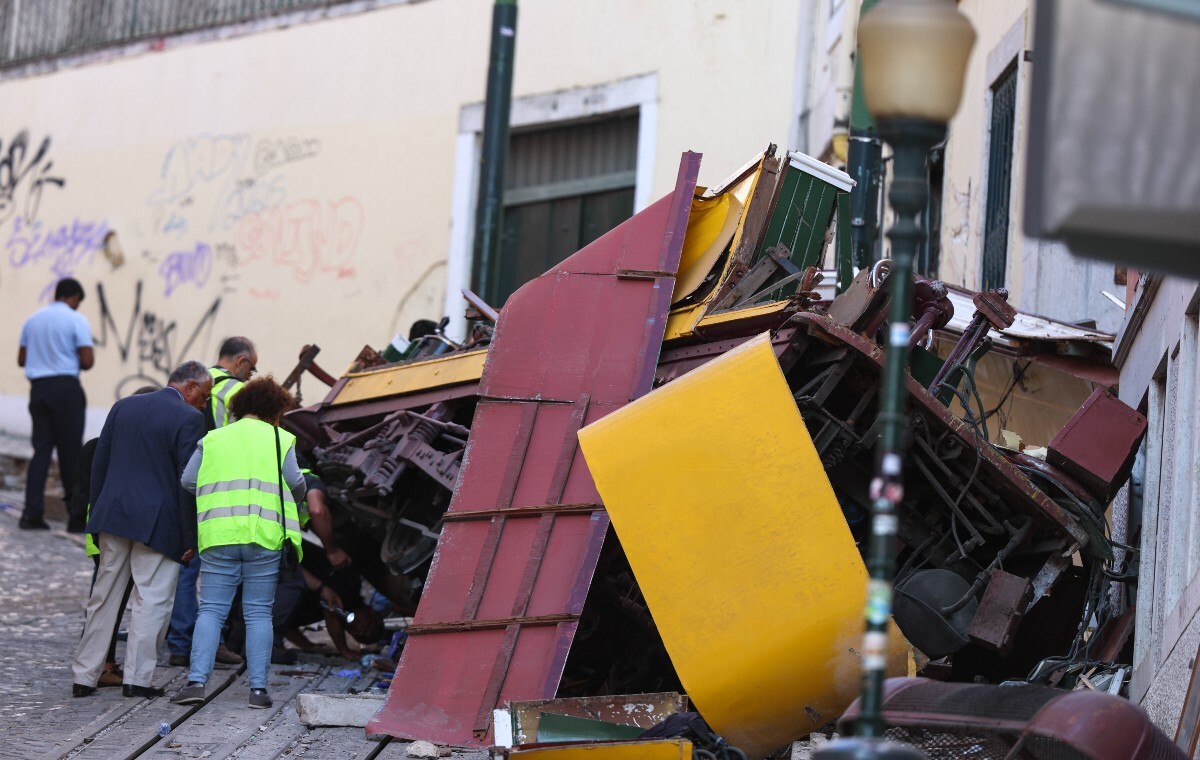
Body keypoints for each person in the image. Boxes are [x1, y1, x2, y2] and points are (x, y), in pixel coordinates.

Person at [70, 361, 211, 699]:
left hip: (113, 515)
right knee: (152, 600)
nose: (204, 405)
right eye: (204, 397)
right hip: (157, 522)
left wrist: (97, 517)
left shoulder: (123, 406)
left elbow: (99, 465)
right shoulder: (189, 419)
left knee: (104, 597)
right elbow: (186, 482)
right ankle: (137, 680)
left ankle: (84, 675)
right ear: (190, 388)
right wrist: (189, 537)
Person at [171, 376, 305, 709]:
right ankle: (258, 691)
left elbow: (188, 480)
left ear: (239, 407)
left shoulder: (213, 438)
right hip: (264, 536)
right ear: (275, 410)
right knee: (259, 612)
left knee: (212, 610)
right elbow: (296, 483)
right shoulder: (280, 438)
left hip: (219, 535)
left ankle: (195, 683)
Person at [166, 336, 257, 668]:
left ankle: (179, 641)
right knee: (213, 573)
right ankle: (206, 643)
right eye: (252, 367)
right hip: (218, 489)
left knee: (186, 568)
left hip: (185, 482)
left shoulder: (201, 383)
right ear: (242, 362)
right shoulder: (236, 391)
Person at [17, 277, 94, 531]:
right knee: (71, 453)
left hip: (38, 389)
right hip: (65, 389)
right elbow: (87, 360)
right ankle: (75, 519)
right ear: (73, 297)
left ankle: (31, 514)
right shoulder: (76, 320)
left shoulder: (33, 319)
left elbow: (21, 358)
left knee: (40, 451)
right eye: (77, 302)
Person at [272, 540, 384, 663]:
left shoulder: (315, 612)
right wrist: (344, 650)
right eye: (367, 627)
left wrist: (309, 647)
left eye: (357, 635)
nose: (359, 629)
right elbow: (331, 610)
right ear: (370, 611)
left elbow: (286, 625)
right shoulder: (351, 585)